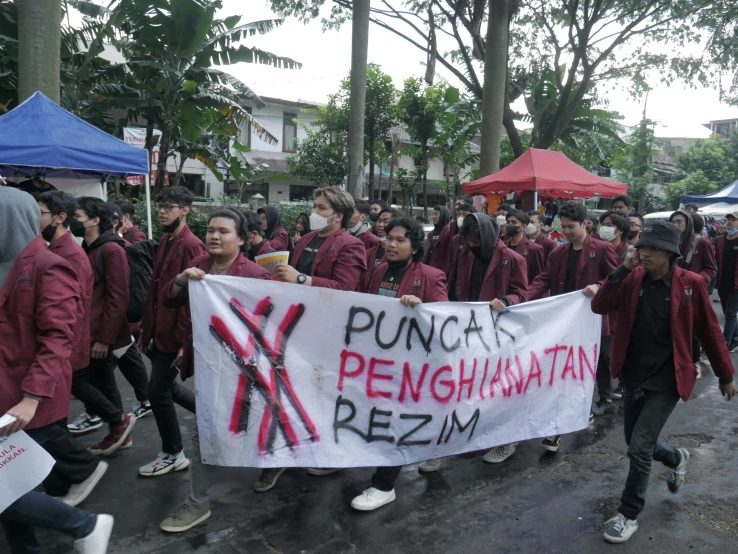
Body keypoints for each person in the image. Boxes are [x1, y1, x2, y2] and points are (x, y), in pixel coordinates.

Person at [591, 220, 735, 544]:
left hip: (668, 378)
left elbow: (710, 331)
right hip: (633, 374)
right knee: (635, 441)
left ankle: (628, 514)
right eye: (642, 247)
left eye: (654, 249)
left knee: (639, 447)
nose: (645, 254)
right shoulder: (631, 279)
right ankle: (675, 457)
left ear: (671, 254)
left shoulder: (691, 284)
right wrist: (620, 271)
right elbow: (599, 305)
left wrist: (725, 374)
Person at [0, 187, 114, 554]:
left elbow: (57, 339)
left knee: (8, 490)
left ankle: (85, 525)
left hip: (28, 402)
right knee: (11, 487)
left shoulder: (49, 266)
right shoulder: (6, 265)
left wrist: (32, 398)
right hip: (7, 397)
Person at [158, 210, 272, 533]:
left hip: (244, 373)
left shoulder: (254, 275)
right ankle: (197, 502)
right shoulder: (200, 268)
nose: (214, 236)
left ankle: (273, 464)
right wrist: (181, 280)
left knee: (256, 424)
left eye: (223, 231)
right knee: (203, 432)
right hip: (210, 369)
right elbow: (169, 300)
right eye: (210, 230)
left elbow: (266, 326)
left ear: (242, 238)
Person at [251, 187, 366, 493]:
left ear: (337, 216)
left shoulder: (350, 246)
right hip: (294, 328)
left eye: (321, 207)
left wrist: (303, 280)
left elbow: (347, 288)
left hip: (327, 333)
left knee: (323, 392)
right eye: (314, 206)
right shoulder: (305, 241)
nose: (314, 212)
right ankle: (286, 450)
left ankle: (330, 451)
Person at [351, 216, 448, 511]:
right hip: (379, 362)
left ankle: (384, 485)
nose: (391, 244)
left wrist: (423, 309)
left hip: (411, 367)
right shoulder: (378, 269)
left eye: (400, 240)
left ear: (415, 248)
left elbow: (445, 318)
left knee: (395, 419)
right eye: (389, 238)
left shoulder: (431, 276)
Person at [431, 212, 528, 466]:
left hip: (498, 332)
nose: (472, 246)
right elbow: (455, 285)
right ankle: (476, 430)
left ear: (487, 236)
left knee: (500, 383)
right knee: (472, 381)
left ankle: (507, 439)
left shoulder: (513, 259)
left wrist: (508, 300)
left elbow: (522, 293)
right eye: (469, 241)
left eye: (476, 241)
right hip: (467, 328)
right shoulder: (465, 255)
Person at [36, 192, 108, 505]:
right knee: (50, 422)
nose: (35, 219)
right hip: (63, 350)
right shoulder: (54, 250)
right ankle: (58, 484)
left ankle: (81, 468)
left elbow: (69, 315)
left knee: (47, 423)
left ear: (59, 217)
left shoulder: (69, 257)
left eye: (40, 213)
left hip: (63, 350)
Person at [527, 202, 620, 443]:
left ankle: (582, 410)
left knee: (587, 367)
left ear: (585, 224)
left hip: (593, 320)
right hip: (565, 321)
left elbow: (617, 278)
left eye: (571, 227)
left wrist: (599, 285)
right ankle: (568, 417)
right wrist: (522, 299)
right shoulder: (558, 252)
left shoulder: (601, 249)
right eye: (563, 226)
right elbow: (544, 278)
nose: (566, 231)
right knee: (566, 369)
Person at [139, 186, 206, 477]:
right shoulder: (166, 240)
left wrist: (184, 343)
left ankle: (172, 452)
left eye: (170, 206)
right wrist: (147, 329)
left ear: (185, 210)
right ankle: (212, 417)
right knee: (166, 388)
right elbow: (157, 289)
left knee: (156, 391)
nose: (163, 210)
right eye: (161, 206)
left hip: (176, 335)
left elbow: (193, 299)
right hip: (159, 330)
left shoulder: (192, 246)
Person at [71, 197, 136, 457]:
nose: (73, 221)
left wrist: (104, 339)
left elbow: (118, 297)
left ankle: (117, 423)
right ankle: (120, 431)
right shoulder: (90, 248)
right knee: (105, 381)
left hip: (100, 334)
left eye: (77, 216)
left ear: (95, 220)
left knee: (76, 380)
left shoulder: (111, 250)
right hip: (88, 332)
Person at [99, 203, 153, 420]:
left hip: (123, 318)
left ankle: (109, 417)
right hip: (121, 320)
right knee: (124, 359)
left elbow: (120, 291)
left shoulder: (119, 246)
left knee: (110, 365)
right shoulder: (109, 245)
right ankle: (143, 401)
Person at [669, 209, 718, 379]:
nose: (676, 225)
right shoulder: (667, 242)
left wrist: (698, 280)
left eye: (679, 222)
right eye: (673, 222)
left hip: (691, 293)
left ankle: (694, 361)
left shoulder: (701, 243)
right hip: (669, 292)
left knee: (693, 328)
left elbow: (711, 268)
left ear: (688, 223)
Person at [364, 207, 404, 291]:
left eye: (386, 222)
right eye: (379, 221)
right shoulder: (370, 252)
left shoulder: (401, 254)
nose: (380, 225)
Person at [714, 211, 738, 352]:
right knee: (727, 311)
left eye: (733, 219)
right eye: (728, 219)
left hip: (736, 284)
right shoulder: (720, 240)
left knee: (730, 313)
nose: (729, 222)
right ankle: (735, 338)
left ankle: (725, 343)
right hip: (723, 282)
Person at [505, 209, 544, 284]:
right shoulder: (502, 247)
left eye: (514, 222)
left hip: (525, 292)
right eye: (508, 222)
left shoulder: (534, 249)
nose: (509, 225)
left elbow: (539, 279)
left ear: (523, 227)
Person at [423, 205, 452, 275]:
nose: (433, 217)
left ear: (443, 216)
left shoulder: (449, 233)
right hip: (429, 271)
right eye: (433, 214)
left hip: (442, 273)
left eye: (436, 214)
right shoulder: (431, 234)